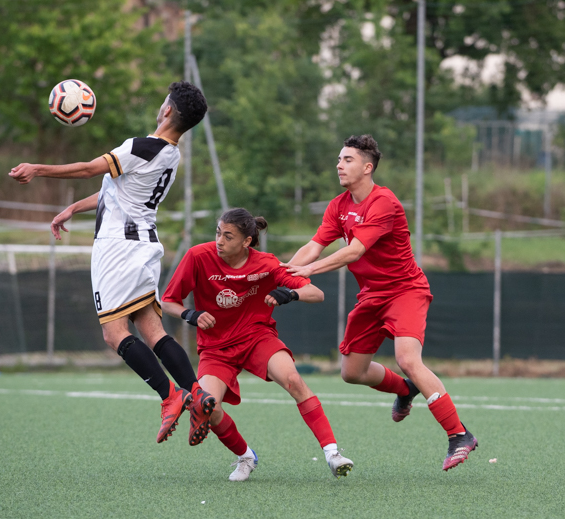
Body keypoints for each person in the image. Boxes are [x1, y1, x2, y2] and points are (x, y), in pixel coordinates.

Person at [8, 81, 216, 447]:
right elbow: (114, 190)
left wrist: (37, 169)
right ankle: (196, 393)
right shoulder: (170, 154)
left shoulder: (141, 146)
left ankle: (170, 396)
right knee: (152, 330)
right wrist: (73, 208)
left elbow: (89, 169)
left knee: (113, 333)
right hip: (145, 246)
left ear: (167, 110)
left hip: (118, 249)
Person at [282, 134, 478, 471]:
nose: (339, 165)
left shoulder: (384, 202)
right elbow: (313, 246)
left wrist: (310, 270)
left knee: (407, 358)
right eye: (339, 159)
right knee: (352, 372)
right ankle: (406, 389)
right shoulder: (338, 205)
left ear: (367, 167)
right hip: (372, 295)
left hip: (405, 291)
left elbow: (355, 251)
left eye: (347, 160)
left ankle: (459, 434)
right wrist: (282, 273)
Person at [162, 208, 354, 481]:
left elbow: (316, 293)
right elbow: (168, 302)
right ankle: (245, 457)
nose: (219, 241)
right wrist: (189, 314)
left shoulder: (267, 263)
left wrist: (290, 294)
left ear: (247, 241)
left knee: (294, 381)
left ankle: (333, 454)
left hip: (256, 338)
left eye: (228, 236)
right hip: (216, 348)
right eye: (218, 233)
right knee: (208, 407)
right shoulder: (197, 256)